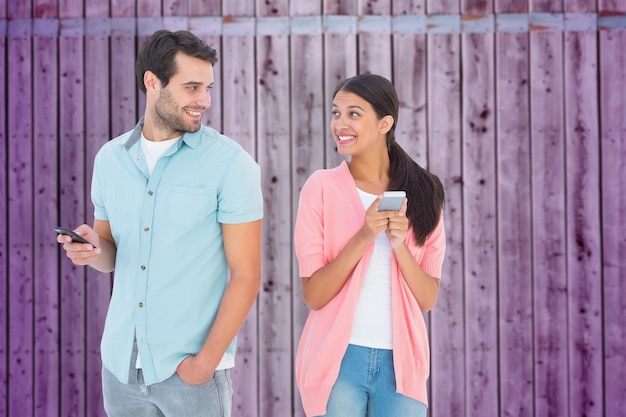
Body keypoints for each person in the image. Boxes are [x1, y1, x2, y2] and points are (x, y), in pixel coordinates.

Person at [56, 29, 263, 417]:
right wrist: (91, 250)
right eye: (191, 87)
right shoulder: (110, 159)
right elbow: (110, 252)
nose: (204, 100)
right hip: (120, 369)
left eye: (208, 87)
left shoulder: (231, 165)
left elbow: (246, 274)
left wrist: (204, 365)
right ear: (153, 82)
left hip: (190, 373)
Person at [294, 73, 446, 417]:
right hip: (337, 363)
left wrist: (399, 245)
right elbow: (313, 295)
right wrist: (363, 235)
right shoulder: (320, 188)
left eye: (354, 113)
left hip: (402, 367)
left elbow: (427, 298)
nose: (340, 123)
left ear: (384, 123)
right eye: (336, 113)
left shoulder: (424, 192)